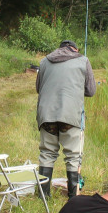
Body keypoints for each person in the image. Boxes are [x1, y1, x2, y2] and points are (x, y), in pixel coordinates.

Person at [36, 40, 96, 198]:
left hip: (46, 115)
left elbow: (38, 88)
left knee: (47, 154)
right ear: (74, 49)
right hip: (70, 115)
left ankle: (43, 196)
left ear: (59, 49)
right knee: (73, 156)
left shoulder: (44, 61)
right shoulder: (83, 60)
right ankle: (73, 198)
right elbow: (90, 91)